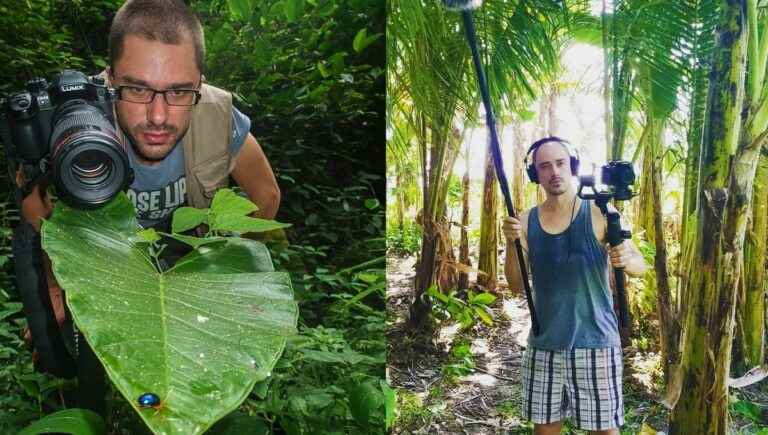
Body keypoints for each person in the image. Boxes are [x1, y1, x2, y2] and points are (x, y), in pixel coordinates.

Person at [14, 0, 280, 413]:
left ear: (200, 83)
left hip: (170, 249)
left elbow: (267, 197)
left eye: (178, 91)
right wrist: (55, 285)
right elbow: (37, 209)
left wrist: (226, 272)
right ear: (110, 77)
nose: (158, 116)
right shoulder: (78, 117)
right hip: (81, 242)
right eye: (137, 89)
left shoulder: (216, 115)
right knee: (57, 352)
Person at [501, 137, 647, 435]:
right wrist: (511, 243)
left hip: (596, 343)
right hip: (545, 345)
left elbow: (640, 267)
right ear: (535, 175)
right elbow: (516, 285)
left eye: (560, 163)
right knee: (544, 430)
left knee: (604, 431)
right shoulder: (525, 221)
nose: (554, 171)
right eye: (544, 166)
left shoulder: (602, 214)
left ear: (572, 166)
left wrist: (625, 259)